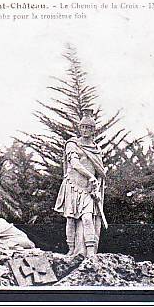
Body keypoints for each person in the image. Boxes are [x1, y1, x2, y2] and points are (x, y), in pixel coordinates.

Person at [53, 109, 107, 257]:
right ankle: (71, 249)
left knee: (88, 218)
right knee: (71, 219)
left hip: (89, 189)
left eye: (88, 127)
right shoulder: (72, 144)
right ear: (80, 128)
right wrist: (91, 176)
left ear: (93, 130)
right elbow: (75, 164)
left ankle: (90, 252)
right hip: (73, 185)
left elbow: (101, 171)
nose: (85, 130)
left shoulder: (97, 148)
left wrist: (97, 185)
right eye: (83, 127)